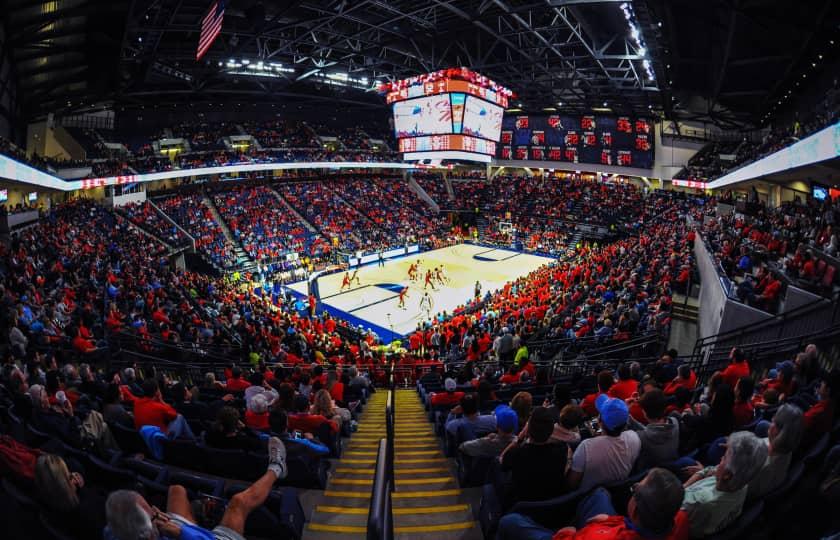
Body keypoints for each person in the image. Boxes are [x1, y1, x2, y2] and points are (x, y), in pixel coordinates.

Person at [104, 438, 287, 540]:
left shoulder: (113, 533)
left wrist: (155, 521)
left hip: (168, 533)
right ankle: (277, 468)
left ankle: (201, 515)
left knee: (176, 489)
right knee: (238, 502)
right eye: (151, 513)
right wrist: (182, 532)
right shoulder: (176, 533)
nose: (154, 510)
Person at [498, 468, 689, 540]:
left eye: (635, 490)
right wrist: (612, 520)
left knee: (510, 521)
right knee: (600, 494)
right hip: (615, 526)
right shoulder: (681, 519)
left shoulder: (596, 536)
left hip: (584, 534)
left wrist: (569, 532)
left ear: (636, 509)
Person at [680, 431, 768, 538]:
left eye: (724, 457)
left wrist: (682, 489)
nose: (721, 458)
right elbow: (710, 469)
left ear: (727, 475)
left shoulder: (699, 503)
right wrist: (688, 484)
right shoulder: (741, 482)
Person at [566, 394, 641, 493]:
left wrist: (569, 459)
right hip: (621, 493)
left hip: (589, 498)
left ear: (600, 422)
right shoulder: (635, 437)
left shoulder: (586, 447)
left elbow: (572, 484)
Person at [500, 406, 569, 505]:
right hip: (551, 504)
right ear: (550, 431)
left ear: (528, 430)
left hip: (522, 504)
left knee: (495, 464)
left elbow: (502, 460)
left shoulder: (516, 452)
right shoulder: (562, 451)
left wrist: (519, 439)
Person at [35, 454, 108, 539]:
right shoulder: (88, 508)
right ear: (64, 483)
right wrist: (84, 490)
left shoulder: (45, 507)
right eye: (68, 474)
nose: (72, 475)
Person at [747, 404, 804, 501]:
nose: (772, 419)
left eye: (774, 420)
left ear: (779, 431)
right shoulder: (788, 447)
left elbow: (740, 488)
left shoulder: (761, 465)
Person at [627, 388, 679, 471]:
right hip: (670, 469)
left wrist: (625, 410)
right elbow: (653, 431)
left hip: (649, 476)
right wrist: (628, 416)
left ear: (645, 414)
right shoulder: (674, 422)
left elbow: (649, 433)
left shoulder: (641, 438)